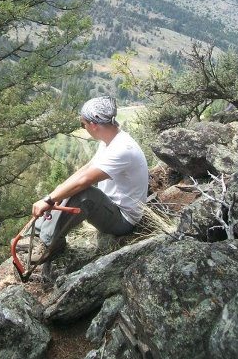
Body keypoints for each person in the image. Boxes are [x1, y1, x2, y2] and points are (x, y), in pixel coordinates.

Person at [27, 96, 149, 263]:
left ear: (93, 125)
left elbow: (85, 180)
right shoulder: (110, 141)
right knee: (66, 189)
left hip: (123, 220)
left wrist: (50, 198)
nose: (83, 128)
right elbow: (86, 169)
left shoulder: (123, 149)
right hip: (110, 207)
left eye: (82, 124)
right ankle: (36, 235)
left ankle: (49, 244)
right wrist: (55, 194)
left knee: (85, 194)